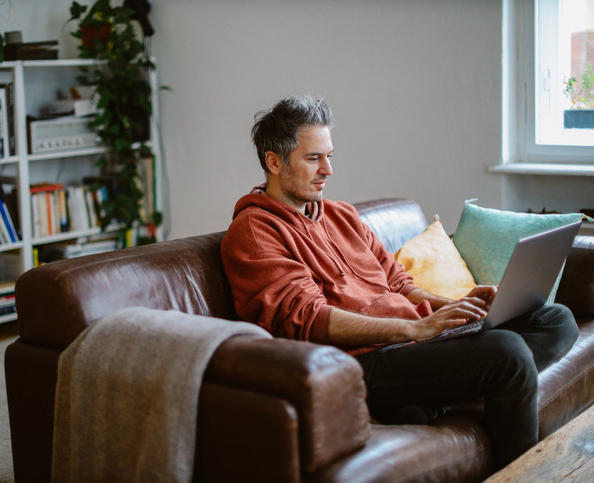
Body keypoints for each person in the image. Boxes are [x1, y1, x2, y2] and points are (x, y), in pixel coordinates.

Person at [219, 95, 579, 468]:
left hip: (412, 344)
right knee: (507, 352)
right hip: (367, 361)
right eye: (313, 159)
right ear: (274, 162)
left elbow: (401, 284)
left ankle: (426, 402)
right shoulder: (255, 233)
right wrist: (413, 329)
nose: (328, 169)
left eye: (329, 155)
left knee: (554, 320)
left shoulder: (342, 215)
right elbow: (310, 320)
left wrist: (451, 306)